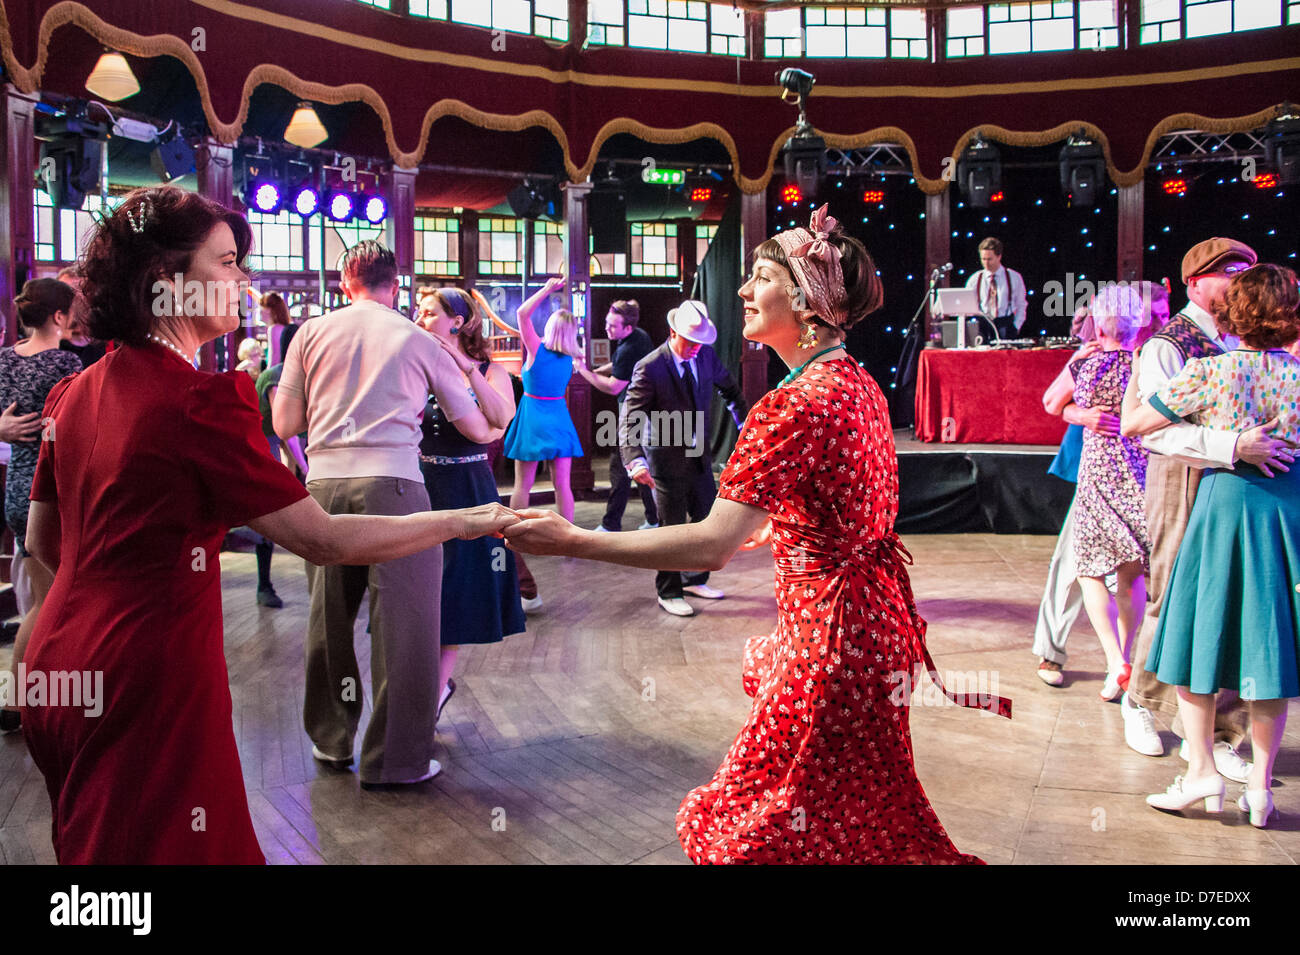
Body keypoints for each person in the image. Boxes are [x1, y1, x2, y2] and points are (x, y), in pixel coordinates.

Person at [22, 188, 517, 864]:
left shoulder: (72, 391)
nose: (242, 280)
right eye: (226, 262)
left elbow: (42, 544)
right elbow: (322, 539)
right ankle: (391, 752)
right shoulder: (196, 401)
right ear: (167, 280)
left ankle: (330, 733)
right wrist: (463, 519)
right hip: (147, 671)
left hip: (52, 653)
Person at [506, 205, 1009, 863]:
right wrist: (777, 533)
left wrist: (575, 541)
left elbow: (709, 543)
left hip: (830, 647)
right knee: (854, 831)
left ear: (803, 302)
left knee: (764, 832)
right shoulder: (856, 382)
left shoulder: (790, 405)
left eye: (760, 276)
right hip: (869, 638)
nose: (742, 292)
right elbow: (841, 511)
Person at [275, 240, 509, 790]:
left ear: (342, 283)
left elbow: (284, 421)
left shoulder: (310, 332)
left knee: (327, 618)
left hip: (324, 485)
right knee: (406, 625)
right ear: (395, 285)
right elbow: (477, 428)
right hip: (397, 486)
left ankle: (331, 740)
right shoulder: (415, 338)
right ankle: (394, 761)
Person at [1123, 264, 1300, 827]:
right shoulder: (1298, 376)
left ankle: (1200, 772)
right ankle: (1258, 786)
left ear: (1233, 316)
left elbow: (1136, 423)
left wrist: (1226, 439)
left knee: (1199, 637)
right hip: (1288, 512)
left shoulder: (1212, 372)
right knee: (1268, 646)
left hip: (1224, 509)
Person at [414, 285, 524, 718]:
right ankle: (427, 686)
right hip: (422, 482)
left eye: (427, 313)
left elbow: (502, 418)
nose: (419, 319)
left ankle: (433, 694)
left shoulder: (488, 369)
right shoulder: (418, 365)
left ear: (457, 322)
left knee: (456, 590)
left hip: (467, 486)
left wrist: (465, 367)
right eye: (419, 313)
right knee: (422, 586)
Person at [619, 301, 746, 617]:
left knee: (706, 520)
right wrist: (634, 460)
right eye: (689, 342)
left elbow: (731, 391)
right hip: (664, 460)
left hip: (698, 457)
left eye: (700, 343)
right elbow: (630, 417)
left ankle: (693, 578)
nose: (695, 349)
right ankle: (669, 591)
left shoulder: (705, 355)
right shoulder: (649, 366)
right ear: (672, 332)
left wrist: (747, 428)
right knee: (671, 529)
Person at [0, 279, 82, 736]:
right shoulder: (64, 362)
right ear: (58, 317)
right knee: (50, 601)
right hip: (50, 491)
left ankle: (36, 696)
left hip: (17, 490)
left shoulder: (5, 359)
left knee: (40, 594)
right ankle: (19, 701)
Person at [1069, 285, 1151, 702]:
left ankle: (1115, 659)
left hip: (1099, 470)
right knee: (1131, 570)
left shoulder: (1088, 363)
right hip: (1138, 469)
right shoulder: (1147, 364)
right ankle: (1124, 660)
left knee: (1088, 570)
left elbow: (1056, 404)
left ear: (1099, 322)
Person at [494, 276, 583, 528]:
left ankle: (514, 531)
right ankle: (569, 537)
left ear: (551, 327)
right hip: (558, 417)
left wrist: (546, 289)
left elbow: (522, 313)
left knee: (523, 484)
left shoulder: (536, 349)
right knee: (562, 485)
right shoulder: (570, 357)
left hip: (533, 417)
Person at [573, 299, 659, 532]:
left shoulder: (628, 347)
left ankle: (612, 524)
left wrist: (583, 372)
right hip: (645, 413)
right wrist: (599, 370)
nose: (607, 329)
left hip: (634, 415)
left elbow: (613, 387)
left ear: (627, 328)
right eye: (606, 323)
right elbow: (622, 365)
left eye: (613, 326)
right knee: (639, 466)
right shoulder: (639, 336)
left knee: (621, 468)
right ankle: (653, 519)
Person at [250, 362, 309, 608]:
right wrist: (306, 469)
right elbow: (282, 427)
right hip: (261, 444)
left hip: (273, 445)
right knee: (266, 517)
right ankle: (264, 585)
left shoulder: (295, 374)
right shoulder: (277, 376)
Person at [964, 236, 1027, 341]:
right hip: (983, 325)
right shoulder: (975, 279)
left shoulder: (1014, 277)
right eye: (983, 259)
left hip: (1005, 325)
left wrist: (1016, 326)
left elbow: (1021, 304)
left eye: (989, 259)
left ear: (999, 257)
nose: (986, 263)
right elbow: (966, 304)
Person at [54, 266, 108, 367]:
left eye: (81, 292)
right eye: (68, 293)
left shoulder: (109, 342)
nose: (75, 301)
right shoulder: (48, 347)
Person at [259, 291, 298, 367]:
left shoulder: (274, 329)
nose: (258, 311)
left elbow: (274, 362)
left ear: (268, 310)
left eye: (260, 307)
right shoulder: (285, 327)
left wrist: (265, 377)